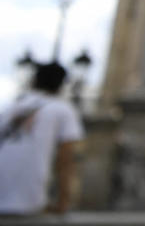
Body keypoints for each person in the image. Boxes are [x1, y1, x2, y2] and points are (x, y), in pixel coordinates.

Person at [0, 62, 83, 215]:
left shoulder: (10, 109)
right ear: (63, 85)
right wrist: (63, 202)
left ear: (33, 80)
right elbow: (66, 160)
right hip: (27, 200)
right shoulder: (63, 110)